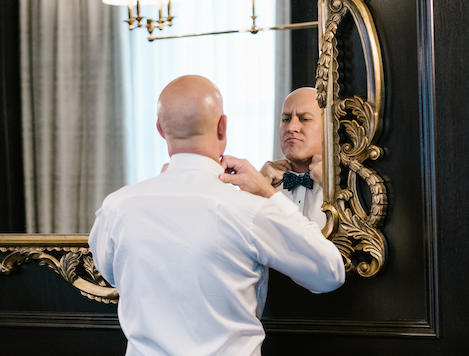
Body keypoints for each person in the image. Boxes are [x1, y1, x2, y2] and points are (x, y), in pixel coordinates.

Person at [89, 75, 344, 356]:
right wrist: (270, 198)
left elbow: (112, 274)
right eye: (286, 118)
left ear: (160, 129)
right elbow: (328, 274)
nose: (292, 126)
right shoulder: (250, 209)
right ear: (222, 127)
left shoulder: (116, 206)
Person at [260, 87, 326, 229]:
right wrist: (255, 192)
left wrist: (333, 187)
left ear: (328, 128)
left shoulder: (350, 189)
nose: (291, 127)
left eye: (305, 119)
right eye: (286, 119)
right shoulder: (264, 187)